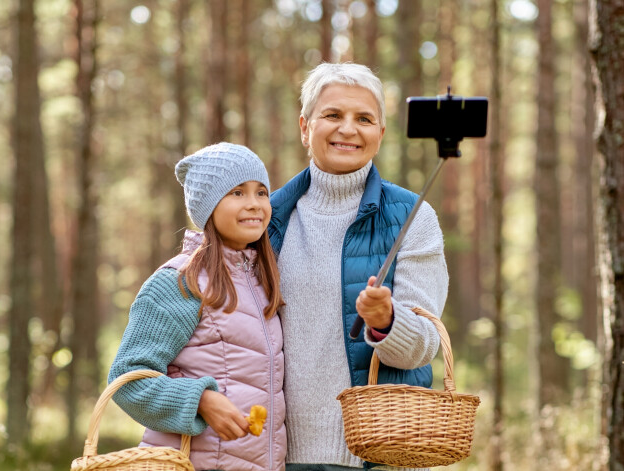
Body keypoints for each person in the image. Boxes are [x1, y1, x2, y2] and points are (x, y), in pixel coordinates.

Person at [268, 63, 449, 470]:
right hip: (274, 455)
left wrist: (387, 320)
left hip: (377, 453)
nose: (348, 129)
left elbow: (423, 345)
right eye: (333, 115)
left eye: (364, 119)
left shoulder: (412, 217)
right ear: (305, 126)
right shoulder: (267, 218)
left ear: (380, 135)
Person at [108, 142, 287, 471]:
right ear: (208, 206)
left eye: (261, 192)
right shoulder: (180, 282)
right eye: (237, 193)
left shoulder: (263, 281)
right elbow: (127, 380)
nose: (254, 204)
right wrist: (201, 400)